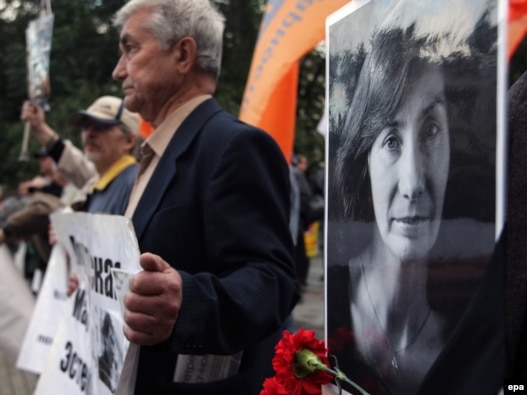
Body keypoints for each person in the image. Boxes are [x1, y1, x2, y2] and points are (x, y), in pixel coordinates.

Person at [110, 1, 299, 394]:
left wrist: (186, 302)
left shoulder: (233, 145)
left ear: (183, 54)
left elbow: (272, 281)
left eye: (130, 49)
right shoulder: (154, 156)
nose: (119, 70)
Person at [328, 24, 451, 394]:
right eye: (392, 140)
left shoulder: (473, 331)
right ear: (363, 159)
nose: (413, 184)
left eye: (431, 130)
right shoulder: (336, 294)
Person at [20, 95, 141, 214]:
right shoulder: (99, 182)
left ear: (129, 141)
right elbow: (70, 160)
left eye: (101, 126)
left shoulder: (134, 185)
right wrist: (39, 127)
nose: (89, 133)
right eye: (86, 126)